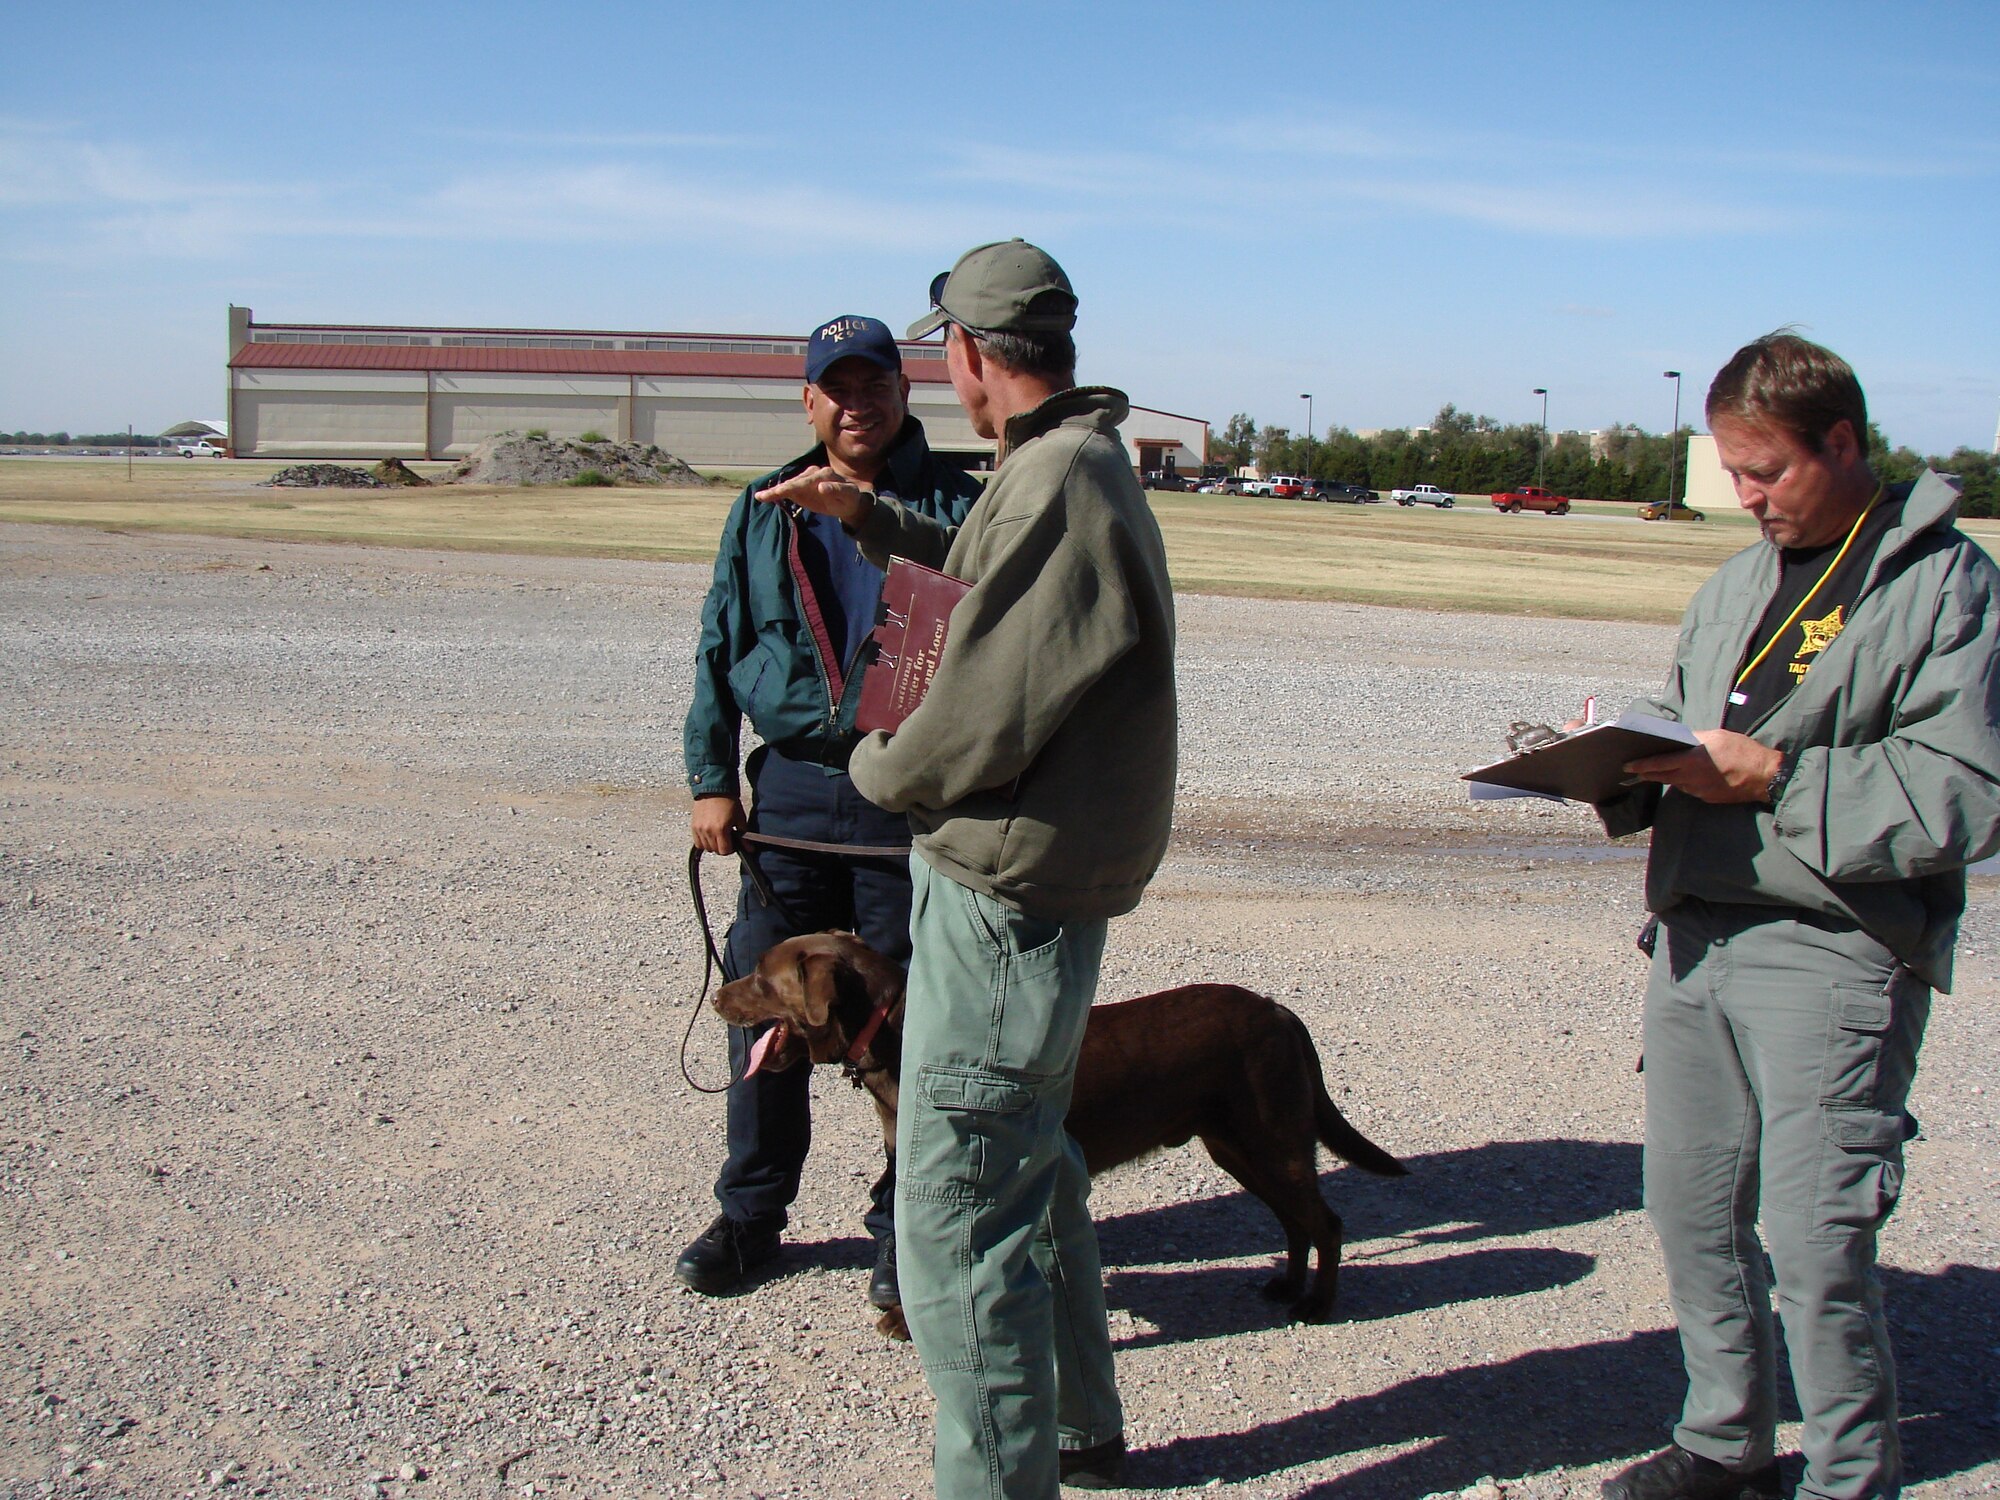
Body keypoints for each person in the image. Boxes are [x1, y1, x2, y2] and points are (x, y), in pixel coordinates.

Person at [757, 240, 1177, 1498]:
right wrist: (875, 518)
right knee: (1031, 1168)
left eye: (942, 349)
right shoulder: (1054, 468)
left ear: (970, 354)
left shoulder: (1064, 478)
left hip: (1001, 904)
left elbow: (984, 701)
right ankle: (1083, 1432)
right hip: (1009, 885)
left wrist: (874, 770)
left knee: (956, 1214)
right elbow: (983, 587)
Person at [1592, 332, 2000, 1500]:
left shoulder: (1943, 586)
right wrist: (1617, 761)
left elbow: (1965, 793)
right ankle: (1723, 1443)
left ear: (1840, 442)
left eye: (1764, 470)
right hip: (1691, 933)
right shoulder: (1730, 582)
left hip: (1830, 948)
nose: (1745, 497)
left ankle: (1846, 1475)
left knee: (1817, 1242)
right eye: (1730, 472)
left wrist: (1773, 778)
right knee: (1688, 1212)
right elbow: (1686, 724)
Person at [677, 315, 981, 1305]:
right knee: (763, 1015)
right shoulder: (765, 509)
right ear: (808, 401)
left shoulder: (961, 507)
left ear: (905, 392)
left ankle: (905, 1239)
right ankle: (750, 1216)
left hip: (909, 796)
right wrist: (709, 780)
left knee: (913, 1033)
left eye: (873, 384)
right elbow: (719, 647)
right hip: (793, 795)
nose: (855, 403)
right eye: (833, 387)